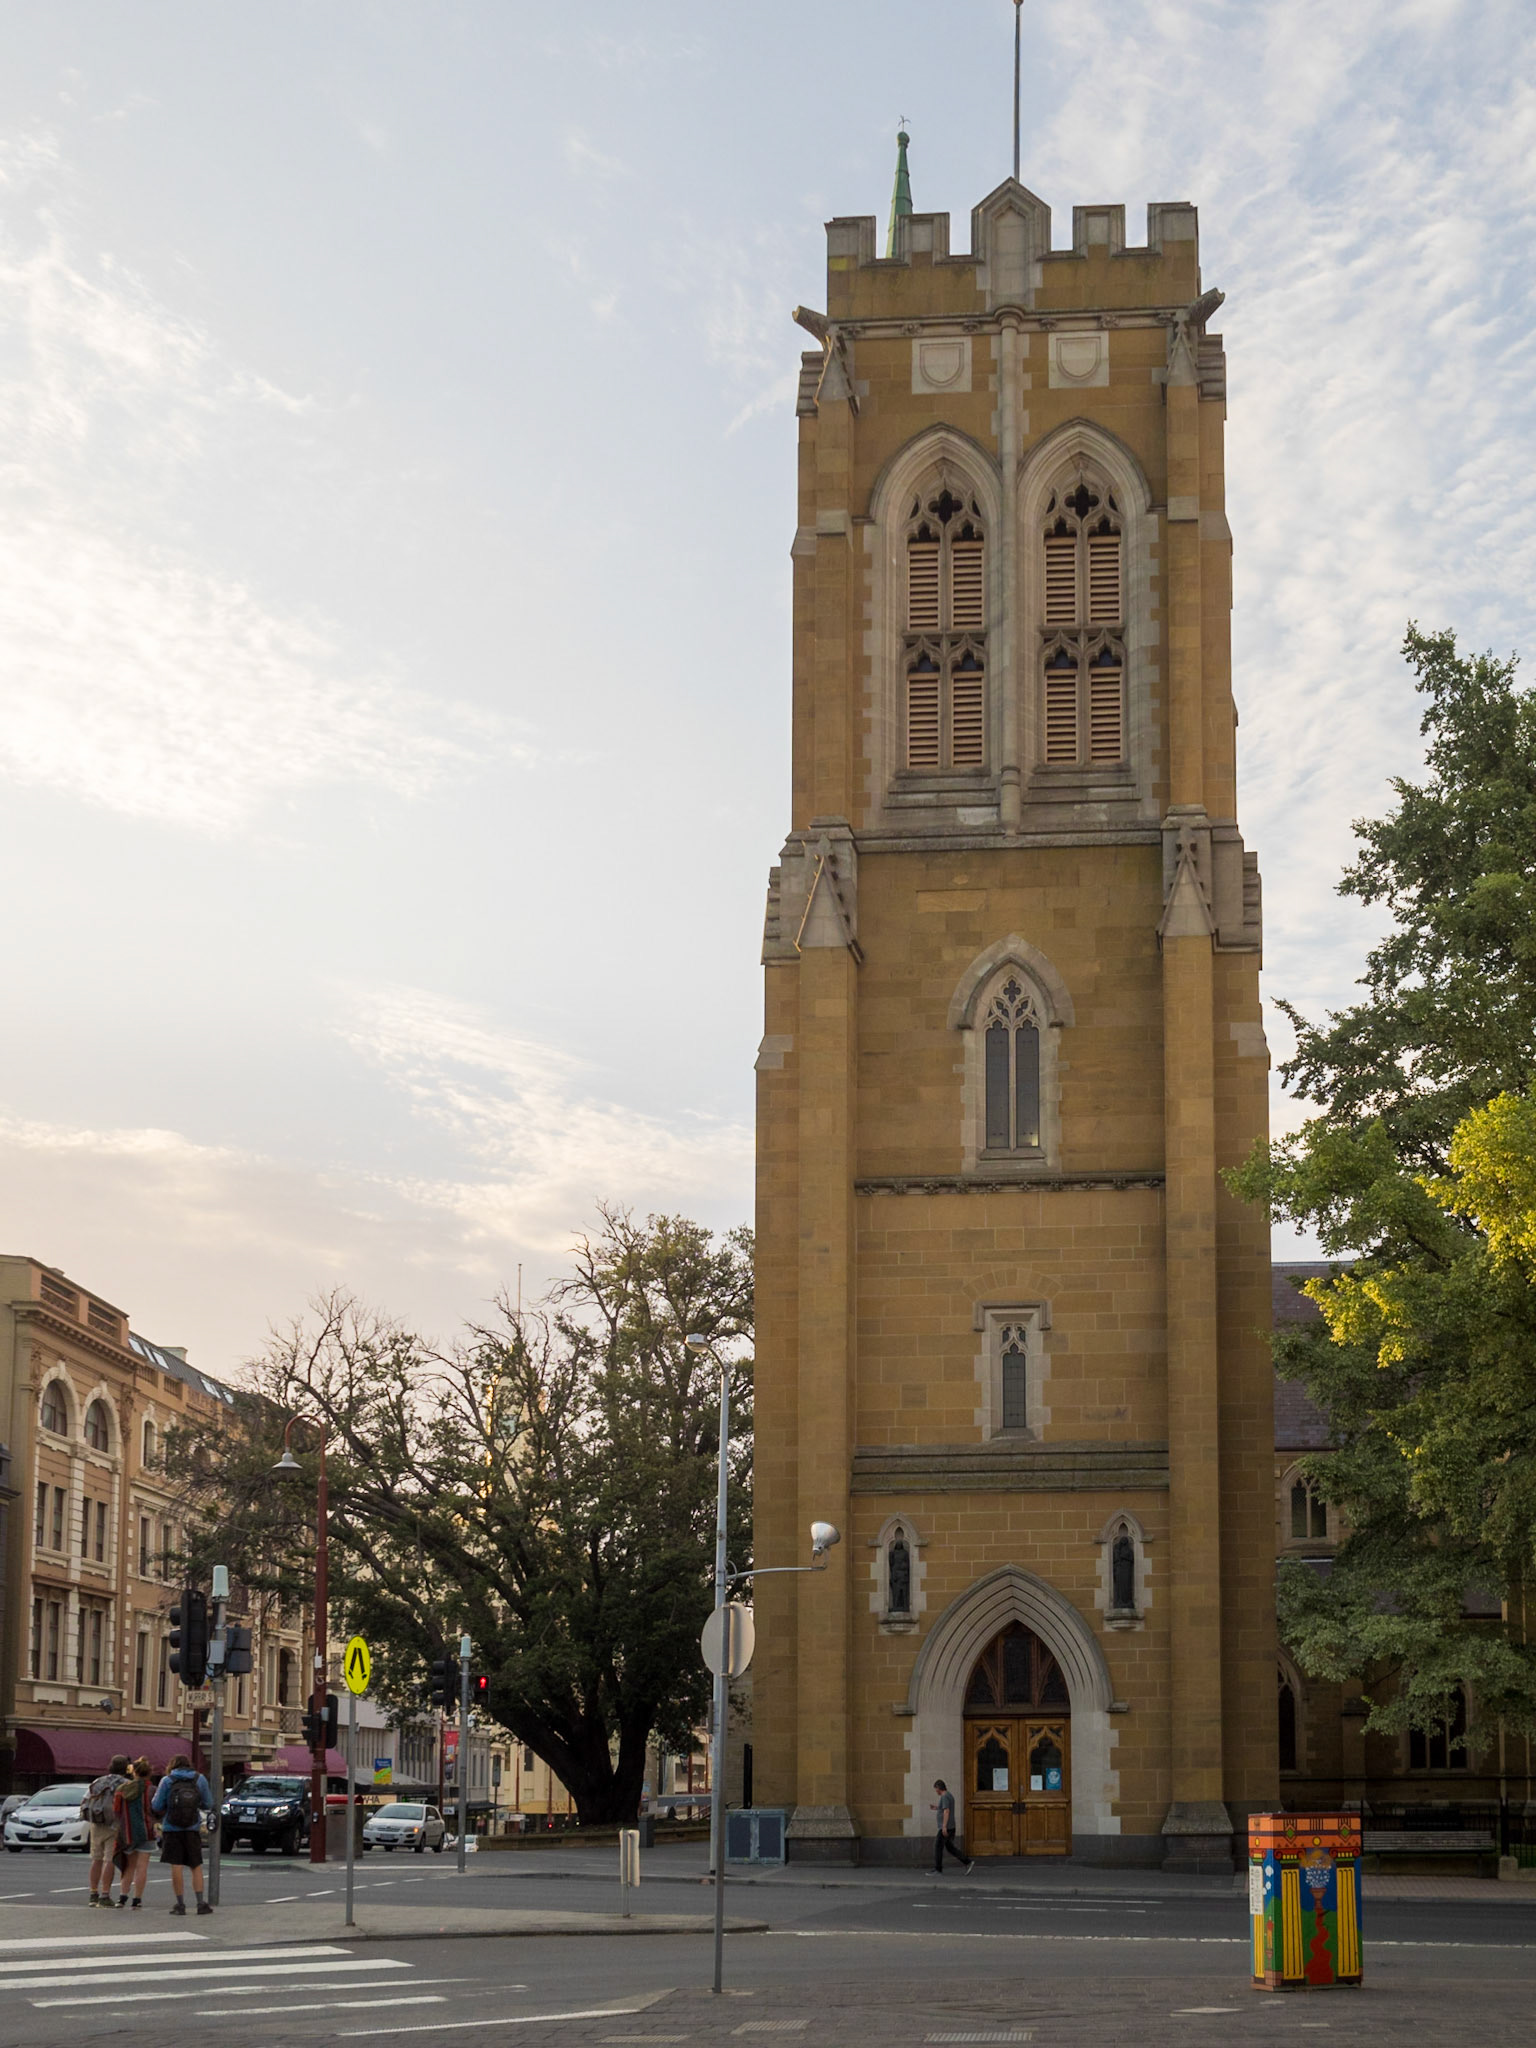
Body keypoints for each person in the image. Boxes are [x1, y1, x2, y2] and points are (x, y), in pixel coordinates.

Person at [151, 1754, 213, 1915]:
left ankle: (180, 1904)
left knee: (176, 1865)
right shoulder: (199, 1779)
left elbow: (157, 1805)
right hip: (192, 1827)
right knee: (196, 1865)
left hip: (172, 1828)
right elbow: (208, 1803)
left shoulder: (167, 1780)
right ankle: (201, 1903)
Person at [82, 1754, 131, 1907]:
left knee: (96, 1858)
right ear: (126, 1768)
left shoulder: (98, 1781)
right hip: (115, 1824)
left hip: (97, 1822)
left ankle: (93, 1893)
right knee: (109, 1859)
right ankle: (105, 1894)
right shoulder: (126, 1784)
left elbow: (86, 1799)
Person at [114, 1758, 157, 1909]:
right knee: (142, 1867)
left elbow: (116, 1811)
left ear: (134, 1772)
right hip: (146, 1831)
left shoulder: (122, 1789)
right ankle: (137, 1900)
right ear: (149, 1773)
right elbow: (157, 1809)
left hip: (128, 1832)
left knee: (129, 1866)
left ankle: (122, 1897)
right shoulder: (151, 1790)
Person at [930, 1779, 973, 1874]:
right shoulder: (949, 1795)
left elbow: (946, 1811)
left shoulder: (944, 1796)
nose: (936, 1791)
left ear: (938, 1788)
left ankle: (938, 1869)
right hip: (951, 1826)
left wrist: (944, 1827)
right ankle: (968, 1862)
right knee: (950, 1848)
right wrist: (936, 1808)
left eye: (935, 1789)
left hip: (946, 1827)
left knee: (938, 1847)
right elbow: (945, 1808)